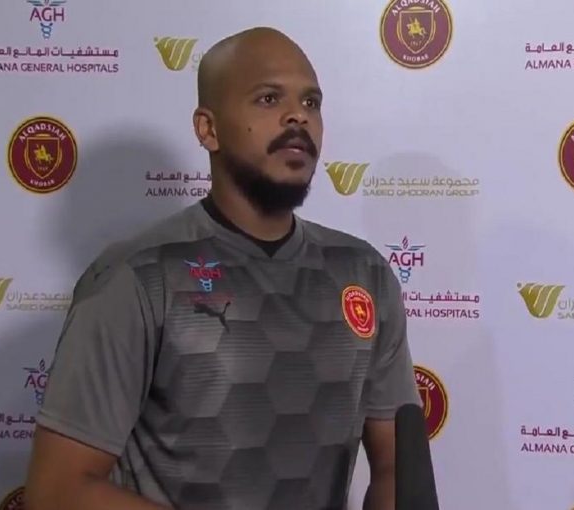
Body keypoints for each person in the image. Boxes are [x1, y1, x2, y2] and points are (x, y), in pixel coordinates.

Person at [23, 26, 424, 510]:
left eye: (311, 102)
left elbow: (396, 467)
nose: (298, 115)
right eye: (269, 98)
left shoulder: (365, 274)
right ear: (208, 129)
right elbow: (58, 491)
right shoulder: (137, 277)